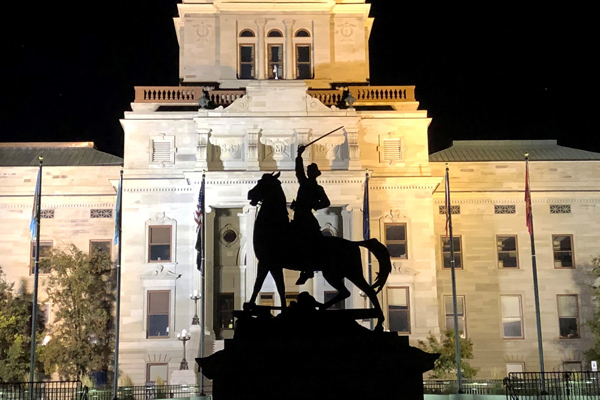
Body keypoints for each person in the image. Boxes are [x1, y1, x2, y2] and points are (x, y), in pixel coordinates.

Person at [291, 145, 330, 285]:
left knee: (306, 241)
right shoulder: (305, 182)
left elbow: (326, 202)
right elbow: (298, 171)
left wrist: (313, 206)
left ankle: (307, 269)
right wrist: (299, 156)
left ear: (314, 173)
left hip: (306, 218)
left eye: (309, 171)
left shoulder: (316, 188)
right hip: (299, 216)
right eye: (308, 170)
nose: (307, 172)